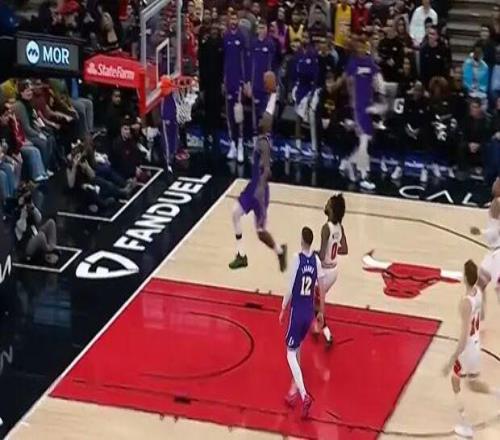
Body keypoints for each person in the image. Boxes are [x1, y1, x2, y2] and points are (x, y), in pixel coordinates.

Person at [442, 260, 500, 438]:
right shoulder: (479, 293)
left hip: (467, 348)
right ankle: (498, 394)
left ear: (466, 278)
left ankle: (465, 425)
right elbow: (480, 317)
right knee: (473, 384)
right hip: (476, 346)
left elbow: (463, 335)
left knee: (456, 382)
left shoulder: (465, 303)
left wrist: (452, 359)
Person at [228, 104, 287, 272]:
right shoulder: (261, 137)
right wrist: (273, 94)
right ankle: (241, 255)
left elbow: (267, 169)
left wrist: (261, 187)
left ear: (268, 125)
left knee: (261, 233)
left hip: (260, 192)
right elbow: (269, 110)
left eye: (263, 119)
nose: (260, 119)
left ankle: (280, 251)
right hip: (251, 188)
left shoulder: (264, 143)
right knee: (235, 213)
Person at [279, 226, 324, 419]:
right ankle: (293, 393)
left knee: (290, 353)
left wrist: (283, 308)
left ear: (302, 240)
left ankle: (304, 395)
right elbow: (320, 287)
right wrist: (321, 311)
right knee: (297, 348)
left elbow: (290, 288)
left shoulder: (297, 259)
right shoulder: (316, 261)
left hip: (297, 312)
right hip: (309, 313)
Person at [315, 193, 348, 346]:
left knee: (311, 301)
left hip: (324, 272)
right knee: (315, 301)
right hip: (334, 271)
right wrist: (332, 250)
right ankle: (318, 326)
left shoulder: (325, 228)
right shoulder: (340, 227)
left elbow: (322, 255)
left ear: (332, 210)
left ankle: (326, 333)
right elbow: (345, 249)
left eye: (328, 204)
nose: (325, 205)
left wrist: (312, 253)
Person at [224, 11, 247, 163]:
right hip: (228, 81)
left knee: (239, 115)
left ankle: (240, 145)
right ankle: (232, 144)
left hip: (238, 81)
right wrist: (224, 79)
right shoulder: (226, 37)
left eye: (235, 19)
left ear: (238, 21)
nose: (233, 21)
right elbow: (224, 60)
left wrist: (243, 81)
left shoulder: (241, 37)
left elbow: (244, 60)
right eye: (231, 18)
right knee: (229, 115)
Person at [14, 185, 58, 264]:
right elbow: (22, 229)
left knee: (51, 223)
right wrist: (23, 216)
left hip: (33, 233)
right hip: (26, 245)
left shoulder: (28, 207)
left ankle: (52, 247)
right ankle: (48, 252)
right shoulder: (16, 211)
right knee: (41, 236)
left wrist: (32, 207)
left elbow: (39, 219)